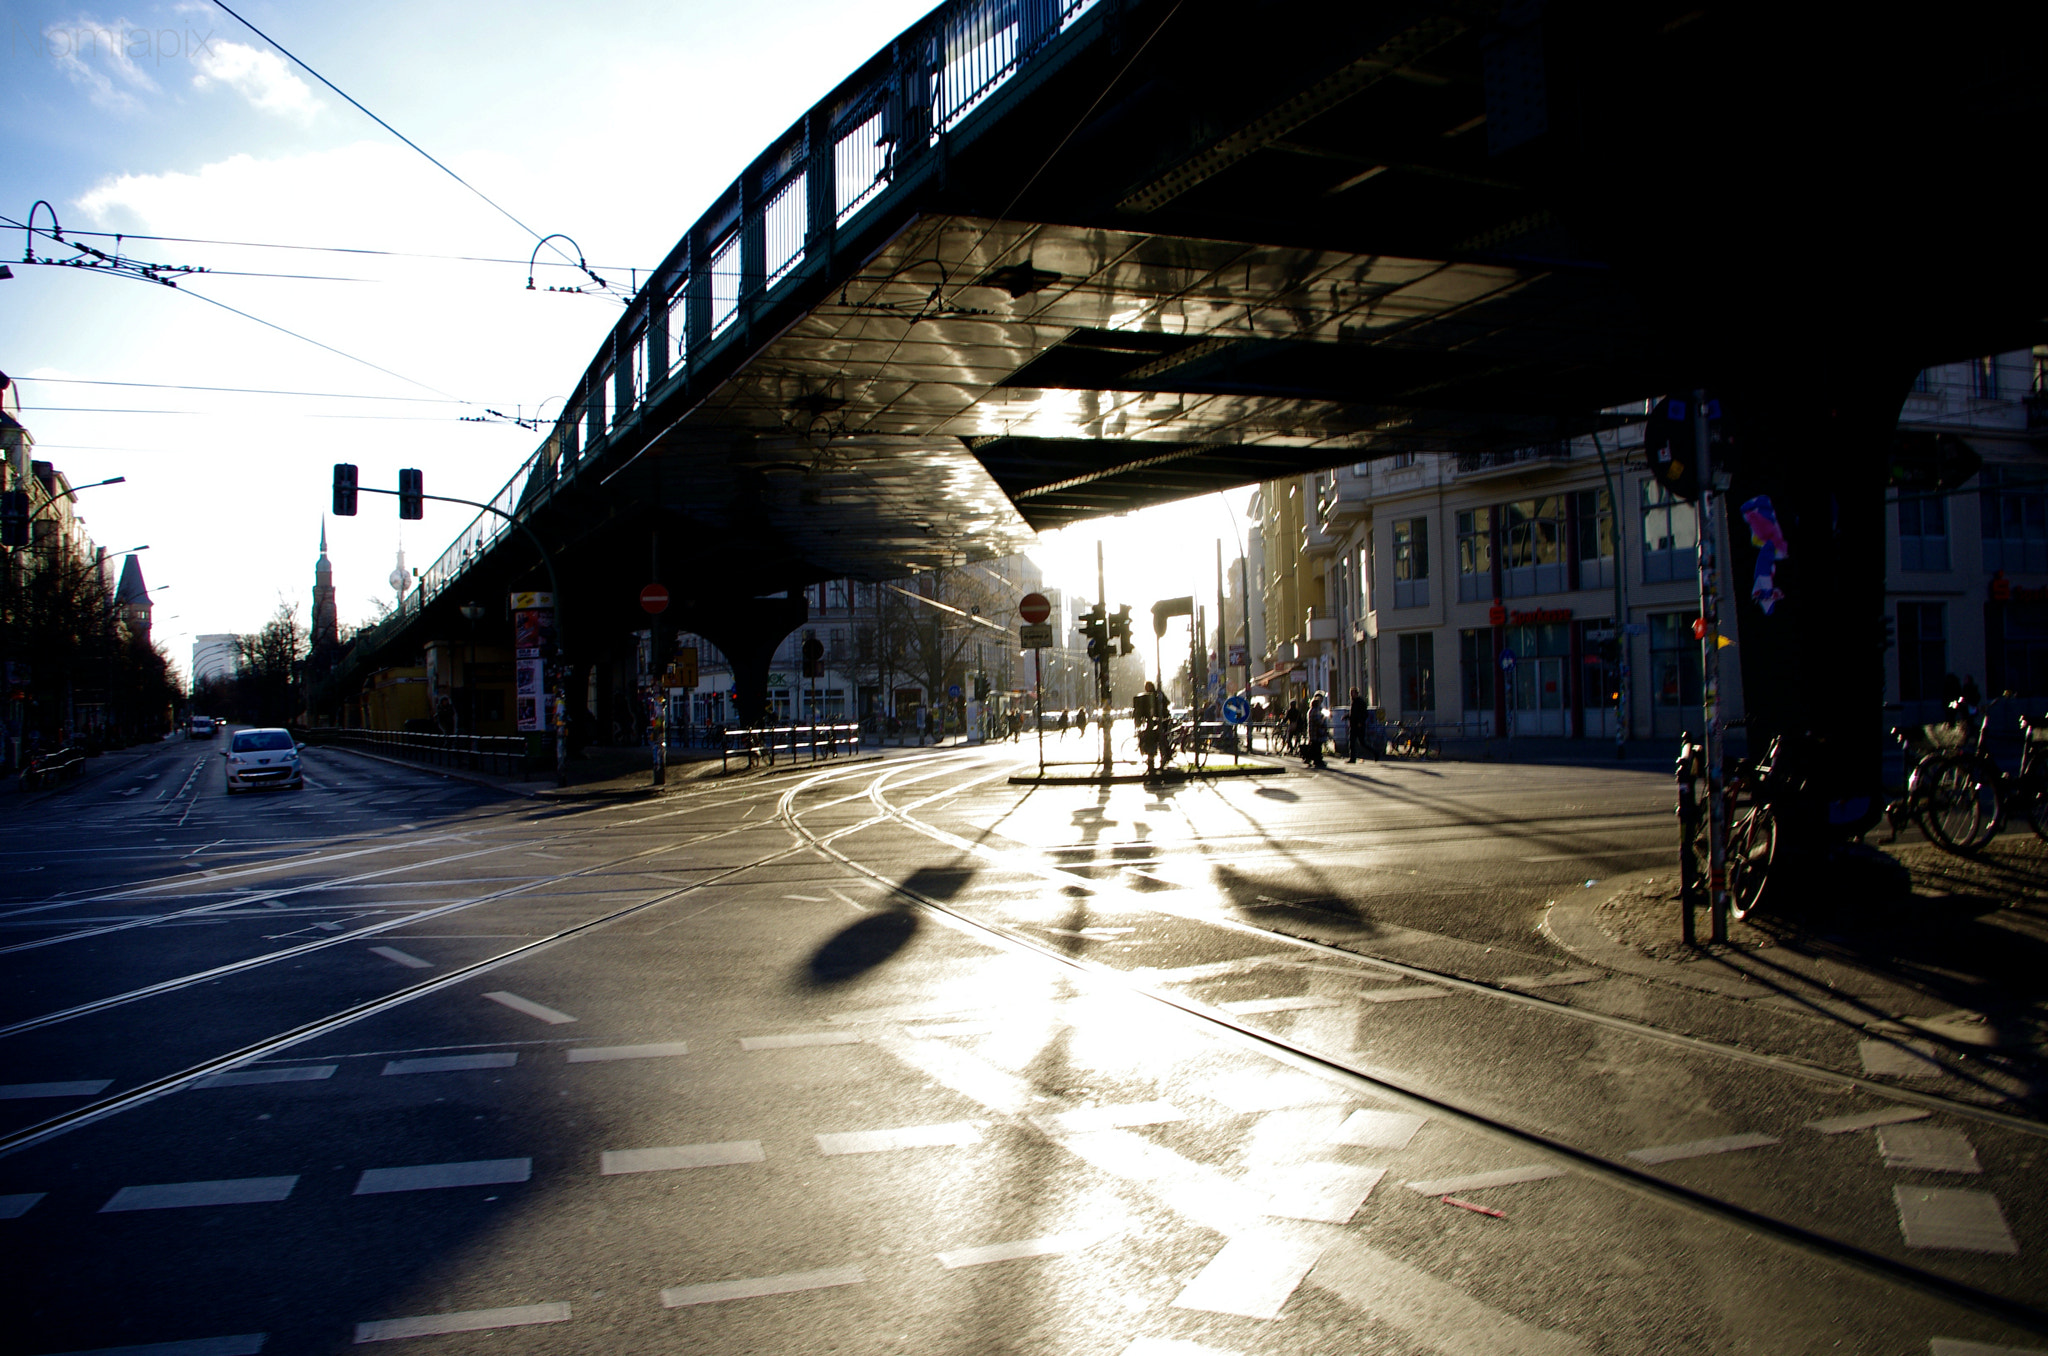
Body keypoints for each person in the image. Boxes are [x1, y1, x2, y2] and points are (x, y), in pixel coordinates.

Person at [1347, 687, 1375, 762]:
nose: (1351, 695)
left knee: (1362, 743)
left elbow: (1364, 714)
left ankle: (1375, 753)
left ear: (1356, 693)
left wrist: (1361, 722)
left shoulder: (1360, 702)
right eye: (1350, 693)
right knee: (1352, 742)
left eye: (1352, 693)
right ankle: (1352, 758)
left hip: (1359, 726)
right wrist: (1346, 716)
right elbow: (1353, 714)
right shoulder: (1354, 702)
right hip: (1353, 725)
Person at [1304, 691, 1330, 769]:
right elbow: (1318, 722)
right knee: (1317, 747)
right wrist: (1323, 718)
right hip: (1316, 732)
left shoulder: (1311, 710)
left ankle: (1313, 759)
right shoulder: (1315, 711)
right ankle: (1317, 760)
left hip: (1313, 732)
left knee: (1315, 746)